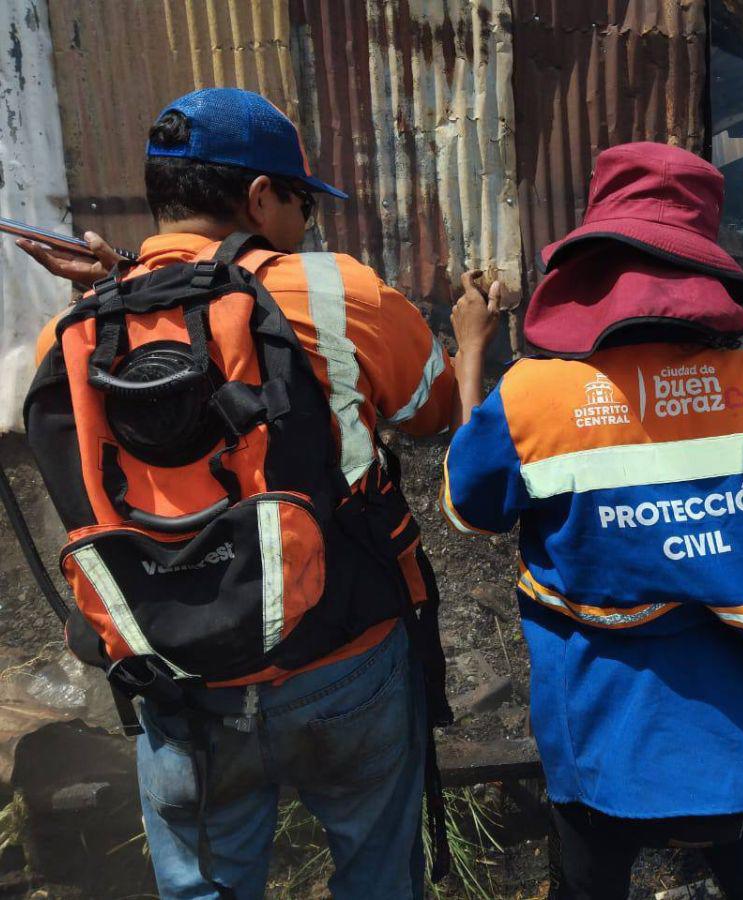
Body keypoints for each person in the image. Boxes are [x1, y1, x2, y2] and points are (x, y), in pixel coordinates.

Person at [20, 87, 500, 900]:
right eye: (302, 203)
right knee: (378, 875)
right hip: (341, 657)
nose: (307, 222)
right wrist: (473, 338)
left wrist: (119, 284)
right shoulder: (335, 293)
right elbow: (435, 416)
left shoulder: (74, 331)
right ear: (257, 197)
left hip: (176, 679)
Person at [441, 142, 743, 899]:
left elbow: (473, 508)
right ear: (709, 272)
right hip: (731, 726)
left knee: (591, 880)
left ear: (591, 266)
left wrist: (471, 354)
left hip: (596, 727)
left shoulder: (533, 397)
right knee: (741, 861)